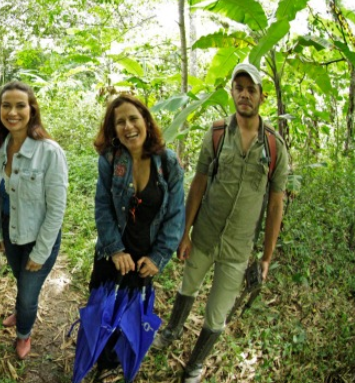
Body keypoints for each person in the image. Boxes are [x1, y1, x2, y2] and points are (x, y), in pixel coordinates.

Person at [152, 63, 289, 383]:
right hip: (206, 232)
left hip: (238, 247)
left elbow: (275, 204)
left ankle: (195, 363)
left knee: (217, 311)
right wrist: (184, 233)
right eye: (238, 88)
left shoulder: (274, 146)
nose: (244, 94)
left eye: (250, 89)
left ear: (261, 97)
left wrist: (266, 258)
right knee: (188, 286)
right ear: (232, 93)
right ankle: (171, 331)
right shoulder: (215, 134)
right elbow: (198, 183)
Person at [89, 94, 185, 381]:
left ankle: (120, 362)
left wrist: (159, 257)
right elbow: (103, 206)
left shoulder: (167, 163)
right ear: (113, 129)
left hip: (145, 258)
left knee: (131, 317)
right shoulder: (110, 160)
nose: (128, 127)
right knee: (102, 314)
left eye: (133, 118)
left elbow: (176, 214)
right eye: (120, 122)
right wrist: (115, 249)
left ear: (145, 120)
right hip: (113, 256)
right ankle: (101, 364)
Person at [0, 81, 68, 360]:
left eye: (20, 105)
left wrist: (42, 251)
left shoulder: (49, 151)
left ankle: (24, 332)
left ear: (31, 109)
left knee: (27, 294)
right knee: (20, 281)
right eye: (6, 106)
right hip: (11, 232)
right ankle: (21, 311)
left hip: (38, 236)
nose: (12, 112)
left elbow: (57, 208)